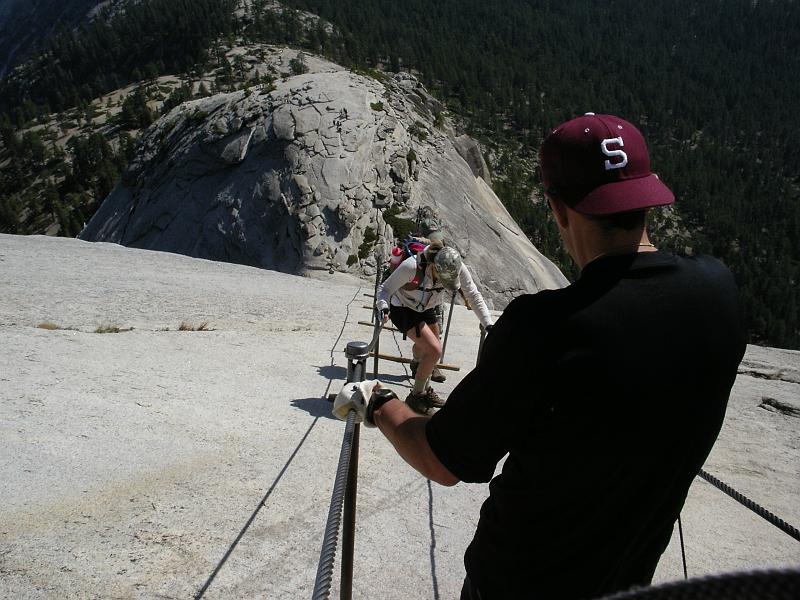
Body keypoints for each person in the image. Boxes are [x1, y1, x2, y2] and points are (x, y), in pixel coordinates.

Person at [349, 113, 747, 599]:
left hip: (515, 583)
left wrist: (379, 403)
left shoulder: (544, 328)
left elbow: (440, 460)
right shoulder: (719, 292)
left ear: (559, 210)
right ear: (647, 196)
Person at [375, 239, 494, 414]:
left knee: (428, 347)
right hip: (402, 307)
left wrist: (489, 324)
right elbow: (384, 289)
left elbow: (473, 295)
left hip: (427, 306)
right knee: (434, 350)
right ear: (433, 266)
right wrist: (382, 307)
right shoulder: (411, 267)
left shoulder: (456, 266)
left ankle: (418, 365)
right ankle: (417, 395)